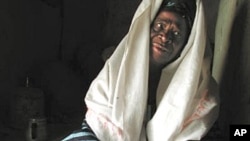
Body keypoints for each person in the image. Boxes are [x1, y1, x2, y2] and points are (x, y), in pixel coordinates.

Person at [62, 0, 219, 140]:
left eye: (176, 34)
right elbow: (97, 128)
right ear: (146, 29)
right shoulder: (114, 74)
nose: (165, 37)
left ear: (187, 45)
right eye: (159, 26)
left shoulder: (201, 91)